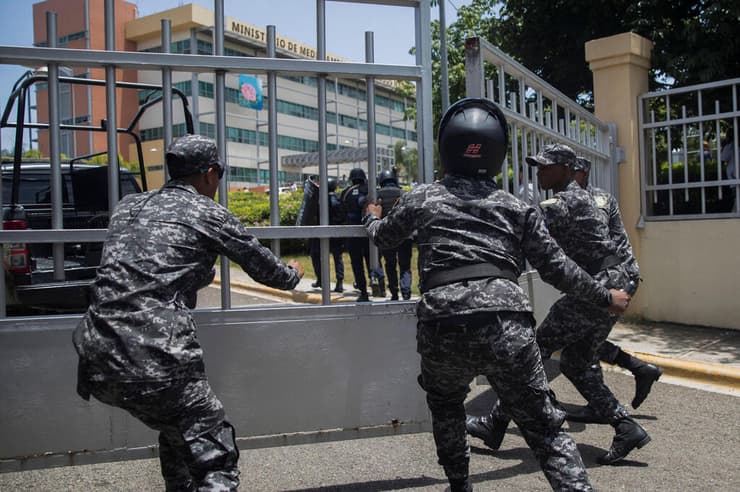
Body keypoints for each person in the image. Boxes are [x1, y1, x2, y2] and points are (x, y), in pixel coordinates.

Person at [363, 98, 631, 492]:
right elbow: (558, 268)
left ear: (447, 149)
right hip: (507, 327)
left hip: (442, 324)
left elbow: (384, 239)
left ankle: (460, 484)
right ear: (499, 154)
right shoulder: (517, 208)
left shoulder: (422, 197)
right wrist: (605, 296)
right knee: (545, 427)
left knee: (447, 406)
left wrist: (371, 216)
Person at [73, 134, 304, 491]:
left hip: (96, 354)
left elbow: (147, 265)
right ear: (210, 173)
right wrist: (294, 273)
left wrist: (197, 272)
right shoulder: (206, 212)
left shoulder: (128, 206)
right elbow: (271, 272)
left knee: (178, 428)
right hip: (154, 356)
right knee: (214, 451)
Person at [467, 144, 651, 467]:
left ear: (566, 169)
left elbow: (520, 219)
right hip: (611, 281)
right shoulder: (580, 199)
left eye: (546, 167)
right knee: (576, 363)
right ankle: (626, 426)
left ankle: (495, 424)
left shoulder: (564, 201)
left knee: (533, 349)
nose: (539, 172)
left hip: (598, 287)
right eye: (537, 167)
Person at [567, 156, 662, 419]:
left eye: (573, 172)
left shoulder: (595, 200)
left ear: (584, 173)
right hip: (610, 278)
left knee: (581, 345)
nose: (569, 177)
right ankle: (639, 369)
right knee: (586, 340)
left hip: (613, 280)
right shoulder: (590, 197)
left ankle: (610, 408)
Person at [341, 167, 384, 301]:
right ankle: (378, 283)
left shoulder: (346, 192)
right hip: (368, 229)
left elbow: (341, 211)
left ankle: (364, 292)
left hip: (352, 232)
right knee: (373, 258)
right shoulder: (370, 191)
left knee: (357, 263)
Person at [376, 168, 413, 300]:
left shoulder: (377, 195)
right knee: (405, 266)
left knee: (390, 265)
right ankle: (406, 292)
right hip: (405, 235)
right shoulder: (404, 193)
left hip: (387, 236)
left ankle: (394, 293)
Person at [309, 177, 346, 292]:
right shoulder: (339, 200)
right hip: (336, 233)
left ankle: (321, 279)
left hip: (321, 232)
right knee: (337, 258)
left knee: (315, 255)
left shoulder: (320, 200)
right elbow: (343, 217)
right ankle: (339, 283)